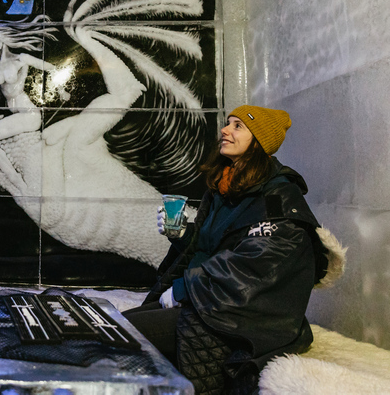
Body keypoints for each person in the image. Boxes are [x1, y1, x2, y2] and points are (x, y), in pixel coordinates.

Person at [123, 105, 346, 394]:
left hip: (239, 317)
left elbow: (259, 265)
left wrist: (184, 290)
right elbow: (214, 247)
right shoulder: (226, 185)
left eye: (238, 126)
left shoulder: (278, 196)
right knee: (114, 328)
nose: (225, 130)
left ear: (259, 141)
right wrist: (180, 234)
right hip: (208, 300)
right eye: (228, 123)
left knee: (120, 338)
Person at [0, 15, 69, 192]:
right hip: (17, 115)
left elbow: (51, 68)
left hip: (28, 114)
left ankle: (11, 180)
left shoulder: (21, 59)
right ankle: (12, 177)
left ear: (2, 39)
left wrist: (61, 90)